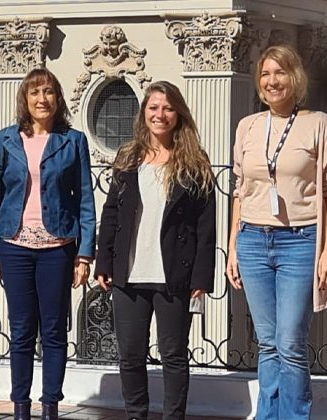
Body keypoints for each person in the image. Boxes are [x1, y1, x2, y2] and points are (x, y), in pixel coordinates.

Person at [226, 44, 327, 419]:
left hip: (300, 242)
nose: (272, 81)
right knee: (267, 344)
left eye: (279, 73)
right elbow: (239, 190)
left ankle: (293, 416)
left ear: (294, 77)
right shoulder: (248, 126)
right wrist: (232, 247)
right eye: (265, 74)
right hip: (252, 241)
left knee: (290, 342)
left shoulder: (319, 123)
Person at [94, 81, 216, 420]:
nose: (159, 114)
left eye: (167, 108)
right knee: (130, 355)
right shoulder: (128, 158)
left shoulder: (195, 163)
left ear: (178, 114)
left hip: (174, 275)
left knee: (174, 355)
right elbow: (112, 213)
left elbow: (207, 226)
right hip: (128, 274)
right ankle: (136, 414)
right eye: (153, 107)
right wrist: (104, 260)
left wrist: (202, 277)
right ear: (144, 112)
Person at [0, 68, 96, 420]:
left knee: (54, 329)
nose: (41, 99)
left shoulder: (72, 141)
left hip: (57, 246)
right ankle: (20, 407)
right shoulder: (3, 142)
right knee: (21, 330)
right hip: (13, 244)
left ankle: (50, 407)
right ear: (25, 100)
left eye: (48, 92)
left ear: (58, 99)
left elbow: (85, 198)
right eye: (34, 93)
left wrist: (85, 252)